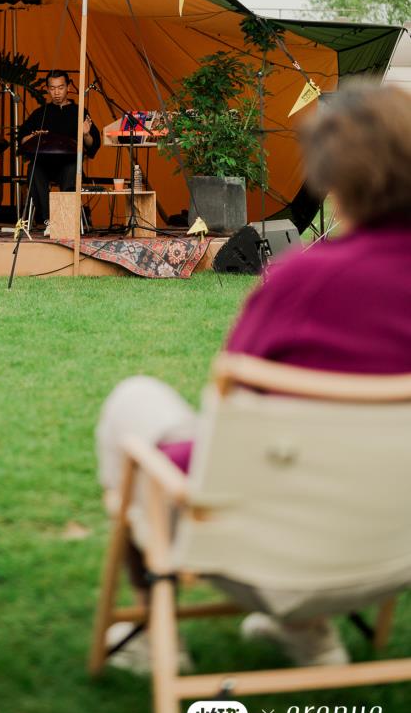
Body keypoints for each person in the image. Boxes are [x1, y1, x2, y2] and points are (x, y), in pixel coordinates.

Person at [96, 80, 411, 670]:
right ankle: (310, 631)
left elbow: (231, 427)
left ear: (332, 174)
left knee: (135, 405)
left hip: (260, 548)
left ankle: (153, 637)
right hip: (395, 552)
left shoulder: (305, 282)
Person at [18, 70, 100, 227]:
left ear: (68, 87)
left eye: (60, 87)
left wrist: (86, 134)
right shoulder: (40, 113)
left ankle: (67, 220)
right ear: (48, 89)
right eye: (52, 88)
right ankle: (49, 220)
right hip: (45, 164)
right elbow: (22, 139)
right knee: (34, 169)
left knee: (71, 169)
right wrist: (32, 137)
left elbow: (92, 144)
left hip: (68, 164)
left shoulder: (80, 112)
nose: (56, 92)